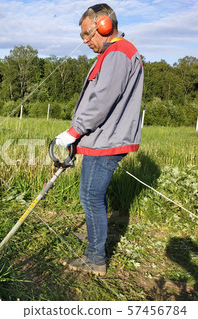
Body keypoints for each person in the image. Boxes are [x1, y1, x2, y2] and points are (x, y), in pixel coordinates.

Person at [55, 3, 144, 276]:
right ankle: (96, 236)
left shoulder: (118, 53)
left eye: (87, 33)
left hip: (108, 141)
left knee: (90, 196)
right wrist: (78, 133)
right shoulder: (113, 53)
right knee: (92, 194)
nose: (84, 41)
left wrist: (75, 130)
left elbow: (102, 101)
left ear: (104, 25)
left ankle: (95, 258)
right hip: (101, 139)